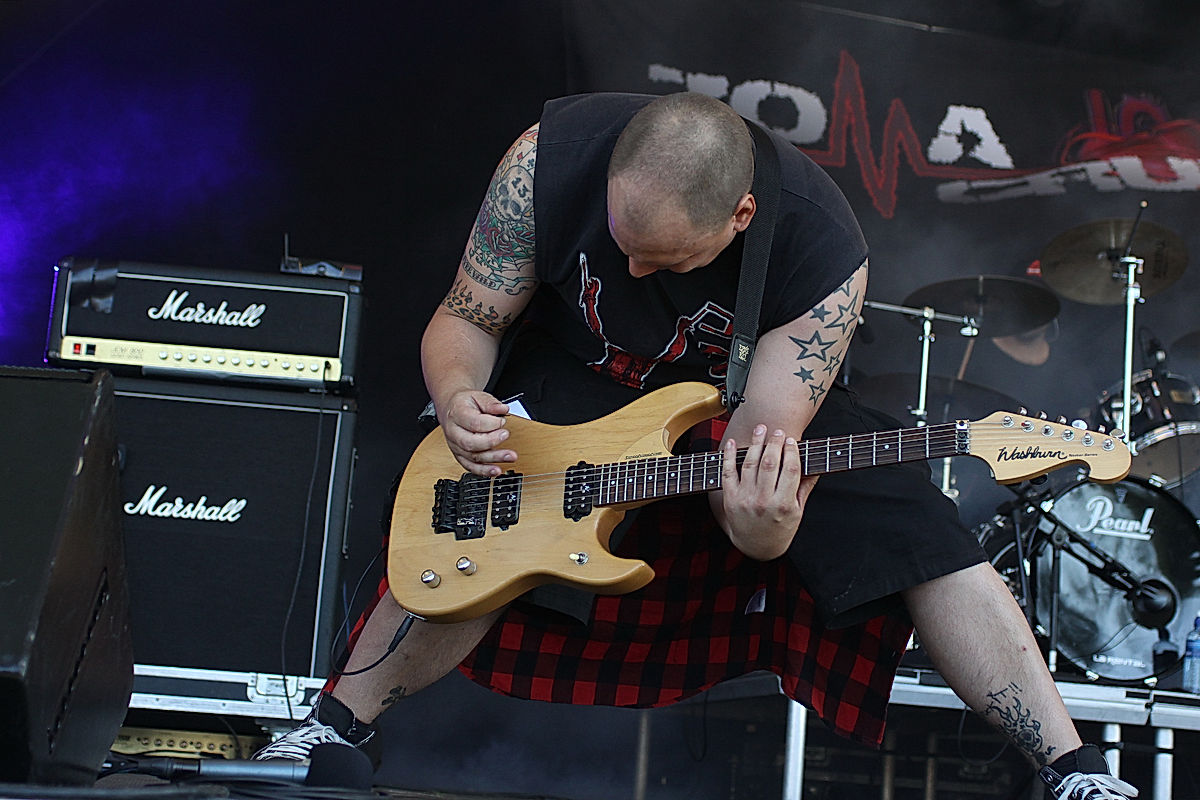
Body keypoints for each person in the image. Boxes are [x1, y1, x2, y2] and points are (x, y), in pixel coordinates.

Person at [254, 92, 1137, 800]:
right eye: (623, 246)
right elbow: (469, 316)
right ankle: (334, 726)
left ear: (741, 215)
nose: (632, 273)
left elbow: (761, 442)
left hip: (745, 409)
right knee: (486, 502)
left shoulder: (821, 254)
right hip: (574, 372)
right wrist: (458, 397)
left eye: (663, 262)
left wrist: (763, 528)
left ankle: (1074, 772)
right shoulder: (545, 163)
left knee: (917, 521)